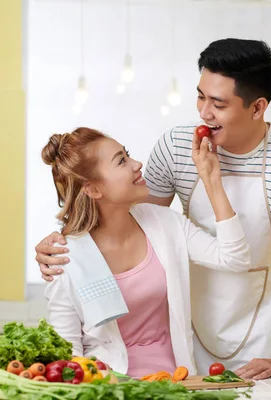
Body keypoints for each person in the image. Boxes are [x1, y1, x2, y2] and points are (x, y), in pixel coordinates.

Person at [35, 38, 271, 379]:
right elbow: (128, 221)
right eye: (200, 96)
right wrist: (67, 243)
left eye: (218, 103)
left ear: (257, 107)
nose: (204, 112)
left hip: (263, 335)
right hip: (183, 343)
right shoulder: (175, 147)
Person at [41, 127, 251, 377]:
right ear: (93, 189)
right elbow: (67, 355)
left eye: (127, 154)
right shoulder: (65, 258)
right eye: (121, 161)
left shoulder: (166, 223)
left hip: (177, 383)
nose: (137, 164)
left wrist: (211, 181)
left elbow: (235, 258)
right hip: (110, 388)